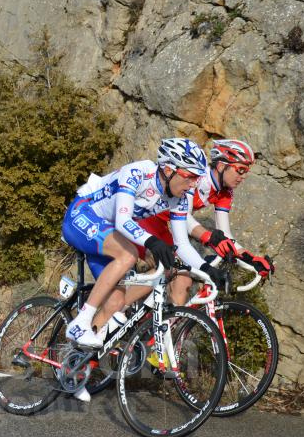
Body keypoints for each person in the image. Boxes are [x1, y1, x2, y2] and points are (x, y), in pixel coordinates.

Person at [61, 138, 226, 351]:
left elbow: (182, 244)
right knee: (128, 254)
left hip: (107, 235)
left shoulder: (180, 198)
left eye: (197, 178)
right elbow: (123, 221)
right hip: (81, 214)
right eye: (190, 176)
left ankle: (74, 368)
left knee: (116, 303)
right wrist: (152, 241)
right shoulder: (138, 173)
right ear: (168, 169)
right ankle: (80, 323)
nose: (194, 184)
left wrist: (207, 270)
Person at [138, 139, 275, 304]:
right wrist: (208, 236)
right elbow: (185, 217)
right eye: (240, 170)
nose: (243, 177)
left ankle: (167, 327)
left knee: (183, 280)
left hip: (165, 227)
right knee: (158, 270)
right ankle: (116, 313)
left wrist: (252, 259)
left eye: (246, 171)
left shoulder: (225, 193)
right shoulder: (197, 176)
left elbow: (226, 235)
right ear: (221, 165)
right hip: (147, 220)